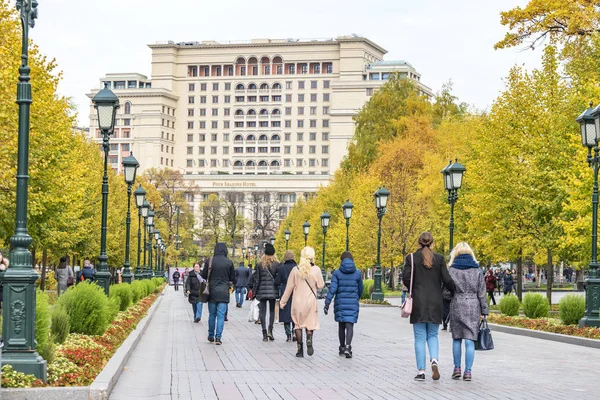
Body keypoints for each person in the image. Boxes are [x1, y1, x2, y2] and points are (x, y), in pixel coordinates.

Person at [402, 232, 456, 381]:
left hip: (418, 302)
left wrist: (413, 288)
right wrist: (454, 290)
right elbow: (447, 279)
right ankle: (434, 360)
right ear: (432, 243)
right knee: (433, 335)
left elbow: (406, 278)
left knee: (419, 338)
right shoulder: (438, 259)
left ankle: (421, 371)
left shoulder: (411, 258)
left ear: (419, 243)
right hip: (435, 302)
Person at [447, 242, 488, 381]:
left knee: (457, 338)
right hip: (473, 305)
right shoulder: (477, 271)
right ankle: (468, 372)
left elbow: (446, 293)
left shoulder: (451, 270)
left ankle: (457, 368)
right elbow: (482, 293)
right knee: (470, 340)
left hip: (457, 303)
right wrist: (484, 310)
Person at [280, 246, 325, 358]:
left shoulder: (295, 270)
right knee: (310, 324)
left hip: (297, 302)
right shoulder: (316, 270)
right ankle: (309, 337)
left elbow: (289, 288)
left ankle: (300, 350)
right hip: (310, 301)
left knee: (298, 325)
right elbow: (321, 285)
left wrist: (283, 302)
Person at [324, 251, 363, 358]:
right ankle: (348, 346)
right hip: (353, 302)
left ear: (342, 260)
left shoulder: (337, 273)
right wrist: (356, 298)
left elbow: (333, 289)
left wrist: (327, 303)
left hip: (340, 302)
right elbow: (360, 289)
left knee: (341, 325)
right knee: (349, 325)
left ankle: (341, 348)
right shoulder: (357, 273)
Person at [201, 243, 235, 345]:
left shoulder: (210, 261)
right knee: (221, 316)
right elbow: (232, 278)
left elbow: (203, 275)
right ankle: (218, 337)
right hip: (224, 291)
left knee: (212, 315)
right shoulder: (229, 262)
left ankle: (211, 335)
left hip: (212, 291)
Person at [252, 243, 280, 342]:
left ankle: (264, 334)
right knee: (272, 312)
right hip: (273, 292)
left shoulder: (259, 265)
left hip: (262, 292)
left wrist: (254, 293)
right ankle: (270, 331)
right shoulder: (277, 264)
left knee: (262, 312)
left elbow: (256, 280)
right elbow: (278, 280)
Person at [275, 250, 298, 342]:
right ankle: (294, 331)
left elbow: (277, 281)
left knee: (285, 311)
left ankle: (288, 334)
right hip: (296, 291)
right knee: (295, 311)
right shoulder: (297, 268)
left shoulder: (282, 268)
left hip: (285, 290)